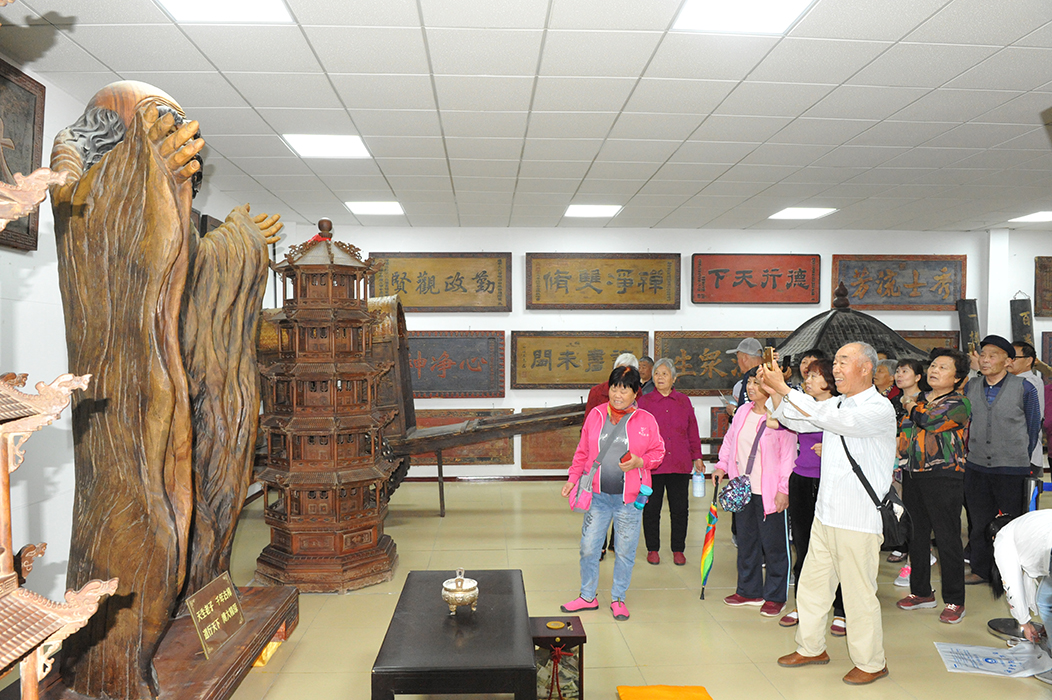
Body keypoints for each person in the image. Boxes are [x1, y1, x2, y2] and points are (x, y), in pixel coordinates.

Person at [763, 342, 896, 686]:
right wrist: (775, 391)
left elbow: (830, 419)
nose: (835, 368)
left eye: (843, 362)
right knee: (812, 586)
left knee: (858, 595)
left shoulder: (878, 408)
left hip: (857, 518)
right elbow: (797, 419)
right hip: (827, 514)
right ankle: (811, 648)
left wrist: (784, 389)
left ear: (866, 368)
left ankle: (871, 662)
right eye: (835, 362)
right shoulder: (837, 403)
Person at [561, 366, 666, 621]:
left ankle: (618, 598)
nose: (618, 394)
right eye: (614, 388)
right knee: (589, 548)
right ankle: (588, 596)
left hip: (629, 500)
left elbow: (659, 452)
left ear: (635, 393)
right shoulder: (596, 415)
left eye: (625, 389)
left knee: (625, 550)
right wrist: (572, 479)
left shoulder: (646, 420)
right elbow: (582, 452)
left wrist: (640, 462)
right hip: (597, 497)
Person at [895, 348, 971, 624]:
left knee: (947, 537)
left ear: (957, 377)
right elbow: (904, 434)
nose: (934, 371)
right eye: (933, 366)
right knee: (916, 535)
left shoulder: (959, 403)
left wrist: (910, 405)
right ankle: (921, 592)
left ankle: (955, 600)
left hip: (944, 475)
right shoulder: (918, 399)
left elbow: (928, 421)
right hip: (913, 474)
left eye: (943, 367)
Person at [712, 374, 795, 618]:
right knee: (747, 541)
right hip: (744, 489)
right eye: (749, 383)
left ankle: (775, 596)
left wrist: (784, 490)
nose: (750, 387)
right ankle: (749, 591)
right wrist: (721, 466)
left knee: (774, 546)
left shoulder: (781, 417)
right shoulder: (742, 412)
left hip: (770, 491)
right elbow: (730, 441)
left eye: (757, 383)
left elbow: (788, 456)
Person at [963, 335, 1041, 586]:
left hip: (1011, 467)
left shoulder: (1024, 388)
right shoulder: (971, 386)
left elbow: (1033, 426)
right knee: (979, 521)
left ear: (1008, 361)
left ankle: (1011, 572)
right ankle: (980, 569)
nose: (985, 360)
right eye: (983, 355)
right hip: (976, 465)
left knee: (1012, 523)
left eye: (992, 355)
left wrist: (1018, 455)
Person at [779, 358, 847, 637]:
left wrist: (830, 447)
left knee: (835, 548)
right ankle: (803, 605)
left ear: (830, 381)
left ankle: (841, 609)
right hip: (802, 479)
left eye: (815, 376)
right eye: (807, 376)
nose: (807, 381)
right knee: (804, 546)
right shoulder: (805, 405)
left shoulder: (840, 408)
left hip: (830, 481)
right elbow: (779, 420)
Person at [638, 358, 703, 566]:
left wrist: (697, 456)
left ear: (673, 378)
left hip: (679, 464)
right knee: (651, 509)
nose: (660, 377)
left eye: (665, 374)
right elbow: (638, 433)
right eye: (657, 374)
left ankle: (678, 549)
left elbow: (692, 430)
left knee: (680, 509)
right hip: (653, 466)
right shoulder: (644, 403)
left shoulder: (684, 401)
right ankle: (653, 549)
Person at [584, 352, 639, 559]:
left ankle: (618, 541)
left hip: (627, 457)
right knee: (599, 503)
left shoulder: (638, 393)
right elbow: (588, 426)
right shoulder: (597, 392)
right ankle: (599, 544)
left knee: (624, 501)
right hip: (602, 456)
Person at [990, 510, 1052, 657]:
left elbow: (1013, 587)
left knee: (1045, 604)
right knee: (1044, 600)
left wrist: (1024, 622)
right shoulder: (1026, 523)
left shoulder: (1003, 538)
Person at [888, 358, 928, 580]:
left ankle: (915, 561)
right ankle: (912, 551)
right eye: (898, 371)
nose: (899, 375)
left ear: (918, 377)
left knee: (915, 514)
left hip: (917, 462)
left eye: (905, 371)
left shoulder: (925, 401)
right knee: (900, 509)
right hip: (895, 460)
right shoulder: (893, 401)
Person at [1009, 341, 1044, 468]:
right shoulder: (1011, 381)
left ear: (1028, 360)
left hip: (1025, 454)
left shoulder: (1031, 382)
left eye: (1013, 358)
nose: (1008, 362)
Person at [728, 337, 764, 412]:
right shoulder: (769, 373)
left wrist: (734, 411)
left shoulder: (750, 376)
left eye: (738, 358)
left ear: (745, 357)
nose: (738, 362)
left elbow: (750, 411)